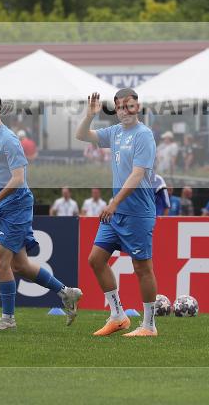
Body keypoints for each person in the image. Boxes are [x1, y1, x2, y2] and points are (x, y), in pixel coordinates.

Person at [0, 93, 82, 331]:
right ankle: (66, 292)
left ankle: (8, 320)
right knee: (20, 265)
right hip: (6, 203)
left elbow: (18, 179)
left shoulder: (9, 140)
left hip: (17, 205)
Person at [75, 89, 159, 337]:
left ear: (137, 107)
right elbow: (81, 135)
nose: (124, 111)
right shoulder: (114, 132)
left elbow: (137, 174)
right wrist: (89, 115)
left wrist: (113, 203)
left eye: (129, 106)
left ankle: (149, 325)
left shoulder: (144, 135)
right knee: (96, 259)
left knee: (142, 268)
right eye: (120, 107)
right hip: (116, 212)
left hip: (137, 212)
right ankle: (118, 316)